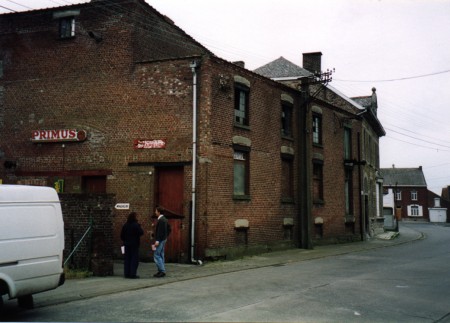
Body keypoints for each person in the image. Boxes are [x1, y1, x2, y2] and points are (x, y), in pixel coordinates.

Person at [120, 212, 144, 279]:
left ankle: (126, 273)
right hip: (134, 244)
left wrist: (125, 240)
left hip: (126, 244)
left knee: (127, 258)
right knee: (134, 259)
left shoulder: (125, 225)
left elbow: (121, 236)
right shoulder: (136, 225)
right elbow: (141, 232)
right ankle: (132, 274)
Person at [152, 206, 169, 278]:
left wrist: (157, 240)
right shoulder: (165, 219)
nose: (155, 212)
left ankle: (162, 271)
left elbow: (160, 232)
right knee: (161, 255)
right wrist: (166, 236)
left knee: (156, 255)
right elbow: (169, 229)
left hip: (160, 240)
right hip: (163, 239)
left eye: (156, 211)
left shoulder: (161, 220)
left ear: (159, 212)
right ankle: (160, 270)